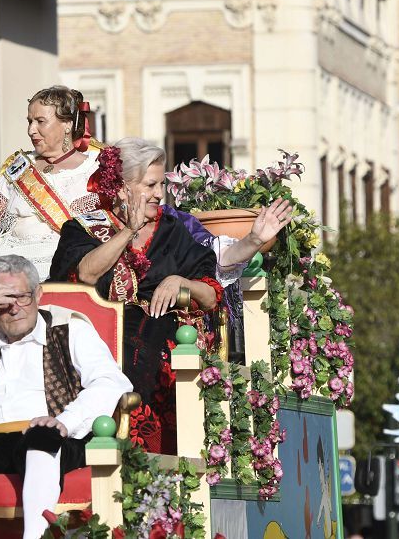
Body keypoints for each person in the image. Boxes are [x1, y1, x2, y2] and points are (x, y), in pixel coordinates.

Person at [48, 137, 291, 453]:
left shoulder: (172, 230)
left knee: (154, 346)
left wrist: (181, 283)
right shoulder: (83, 228)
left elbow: (210, 293)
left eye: (160, 184)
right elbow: (85, 274)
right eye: (150, 185)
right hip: (96, 342)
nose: (159, 194)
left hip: (160, 338)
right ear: (122, 189)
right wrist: (127, 232)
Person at [0, 255, 132, 539]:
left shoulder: (70, 329)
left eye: (23, 297)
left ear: (38, 294)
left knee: (41, 434)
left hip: (57, 439)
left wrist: (65, 421)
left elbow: (110, 381)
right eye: (3, 301)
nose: (15, 308)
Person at [0, 86, 101, 281]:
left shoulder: (94, 169)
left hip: (57, 267)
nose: (31, 130)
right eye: (30, 122)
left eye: (40, 122)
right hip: (5, 260)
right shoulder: (21, 167)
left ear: (67, 124)